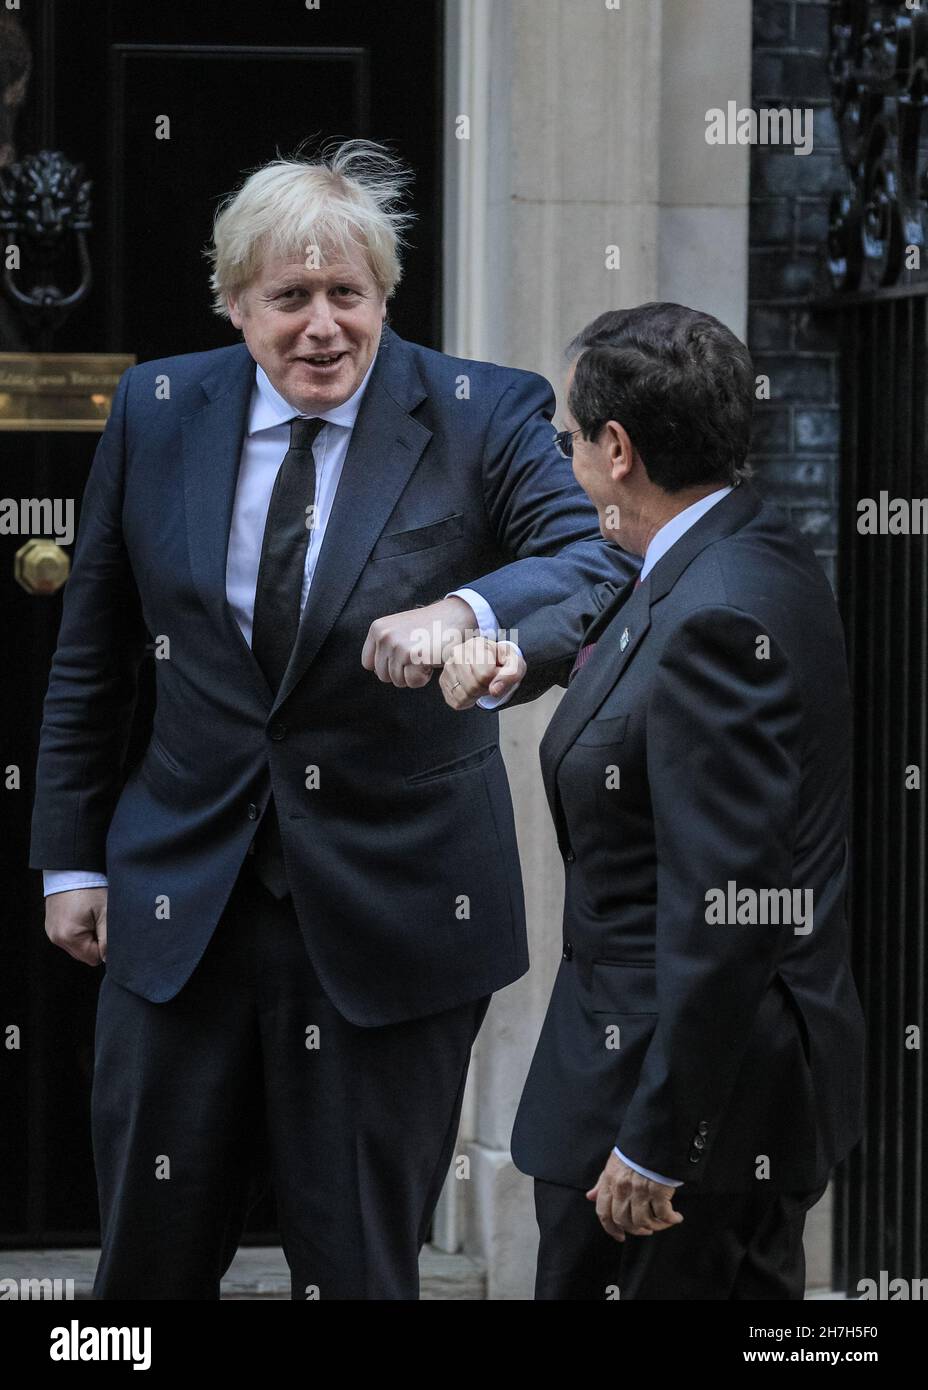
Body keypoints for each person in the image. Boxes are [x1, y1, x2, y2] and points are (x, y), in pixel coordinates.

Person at [28, 140, 635, 1300]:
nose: (321, 327)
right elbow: (92, 653)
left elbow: (587, 560)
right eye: (289, 298)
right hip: (180, 905)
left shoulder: (481, 411)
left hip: (393, 913)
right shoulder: (158, 409)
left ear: (383, 294)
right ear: (234, 303)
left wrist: (462, 607)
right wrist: (69, 857)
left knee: (357, 1268)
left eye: (346, 295)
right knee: (143, 1275)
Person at [440, 301, 866, 1300]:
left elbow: (727, 916)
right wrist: (516, 653)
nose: (571, 457)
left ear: (617, 447)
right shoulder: (742, 547)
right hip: (681, 1096)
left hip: (673, 1125)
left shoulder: (714, 619)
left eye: (574, 439)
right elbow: (622, 602)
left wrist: (660, 1142)